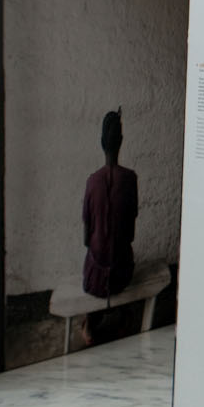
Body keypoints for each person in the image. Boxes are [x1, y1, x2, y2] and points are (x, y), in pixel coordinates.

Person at [82, 109, 138, 300]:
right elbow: (130, 234)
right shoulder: (130, 179)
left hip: (94, 278)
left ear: (101, 142)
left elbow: (86, 239)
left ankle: (91, 326)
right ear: (121, 141)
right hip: (121, 273)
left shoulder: (92, 181)